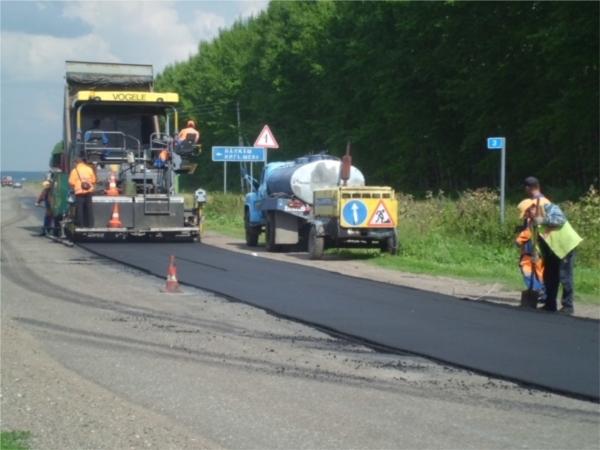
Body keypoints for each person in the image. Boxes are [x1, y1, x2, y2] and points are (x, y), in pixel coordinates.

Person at [532, 196, 583, 315]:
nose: (528, 215)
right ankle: (550, 304)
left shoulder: (550, 208)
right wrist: (537, 254)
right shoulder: (533, 223)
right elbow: (537, 241)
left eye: (529, 212)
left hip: (565, 246)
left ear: (534, 208)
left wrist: (543, 220)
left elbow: (561, 220)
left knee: (564, 277)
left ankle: (568, 306)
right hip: (552, 251)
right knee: (549, 276)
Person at [515, 199, 547, 303]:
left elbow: (528, 233)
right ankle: (542, 294)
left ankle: (540, 291)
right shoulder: (532, 219)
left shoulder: (538, 218)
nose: (525, 215)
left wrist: (518, 240)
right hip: (534, 251)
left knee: (534, 271)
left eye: (526, 213)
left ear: (532, 208)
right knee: (534, 271)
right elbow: (529, 232)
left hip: (537, 251)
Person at [68, 157, 96, 228]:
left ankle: (81, 225)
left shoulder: (74, 171)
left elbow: (71, 182)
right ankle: (91, 224)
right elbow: (93, 180)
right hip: (88, 191)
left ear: (76, 163)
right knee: (89, 207)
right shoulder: (89, 169)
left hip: (79, 192)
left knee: (80, 208)